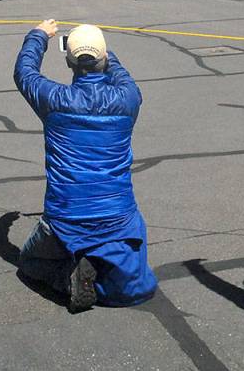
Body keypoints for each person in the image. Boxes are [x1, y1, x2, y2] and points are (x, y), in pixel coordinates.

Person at [13, 20, 157, 312]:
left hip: (66, 218)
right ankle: (94, 260)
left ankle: (69, 277)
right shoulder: (129, 98)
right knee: (131, 288)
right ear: (104, 59)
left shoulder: (54, 99)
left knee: (28, 262)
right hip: (118, 217)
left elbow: (24, 73)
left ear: (69, 62)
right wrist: (100, 48)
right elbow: (121, 75)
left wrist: (38, 35)